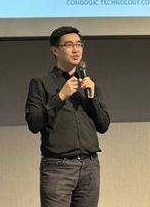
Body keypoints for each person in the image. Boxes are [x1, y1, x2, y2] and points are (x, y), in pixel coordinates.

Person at [25, 26, 111, 207]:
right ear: (55, 50)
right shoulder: (41, 83)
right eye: (69, 45)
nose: (76, 50)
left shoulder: (88, 84)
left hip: (89, 166)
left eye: (79, 45)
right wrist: (60, 97)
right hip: (58, 168)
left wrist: (92, 98)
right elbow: (34, 123)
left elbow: (103, 126)